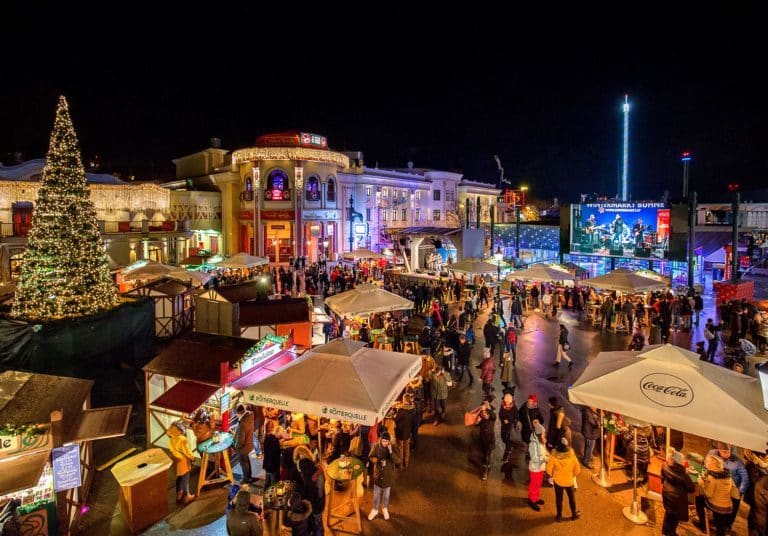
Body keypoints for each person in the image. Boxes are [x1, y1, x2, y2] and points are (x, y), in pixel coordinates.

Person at [708, 442, 750, 529]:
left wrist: (740, 491)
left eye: (728, 452)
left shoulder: (737, 462)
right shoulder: (712, 454)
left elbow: (745, 478)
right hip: (720, 486)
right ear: (719, 450)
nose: (727, 454)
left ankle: (728, 524)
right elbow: (707, 464)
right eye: (724, 452)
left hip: (734, 488)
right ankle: (718, 522)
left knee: (733, 506)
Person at [696, 454, 738, 536]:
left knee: (699, 499)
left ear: (712, 465)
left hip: (717, 506)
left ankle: (703, 525)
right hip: (728, 506)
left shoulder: (712, 477)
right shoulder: (728, 475)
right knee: (720, 526)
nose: (706, 464)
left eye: (707, 462)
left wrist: (701, 483)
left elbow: (708, 494)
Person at [660, 449, 695, 536]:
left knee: (668, 513)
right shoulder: (683, 475)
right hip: (677, 500)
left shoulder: (665, 466)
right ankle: (671, 533)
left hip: (666, 494)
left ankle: (665, 531)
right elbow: (691, 489)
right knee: (674, 519)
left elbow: (662, 478)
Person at [546, 437, 582, 522]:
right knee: (571, 498)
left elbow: (548, 470)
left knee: (559, 498)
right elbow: (578, 470)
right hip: (569, 481)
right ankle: (574, 514)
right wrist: (571, 475)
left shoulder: (554, 457)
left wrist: (554, 475)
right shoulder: (572, 457)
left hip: (558, 482)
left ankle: (559, 516)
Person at [367, 432, 401, 521]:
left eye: (387, 441)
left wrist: (390, 452)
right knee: (376, 494)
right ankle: (375, 509)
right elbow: (370, 456)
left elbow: (398, 461)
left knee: (386, 495)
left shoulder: (393, 447)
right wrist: (377, 460)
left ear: (389, 441)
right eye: (383, 441)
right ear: (380, 440)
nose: (385, 443)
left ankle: (385, 508)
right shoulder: (376, 446)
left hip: (388, 475)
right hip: (378, 474)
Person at [167, 421, 196, 504]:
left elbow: (172, 450)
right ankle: (187, 495)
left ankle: (179, 495)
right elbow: (187, 451)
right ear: (180, 430)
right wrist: (192, 458)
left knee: (179, 478)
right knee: (185, 478)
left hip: (176, 460)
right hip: (183, 461)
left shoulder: (170, 440)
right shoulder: (182, 439)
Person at [527, 422, 549, 511]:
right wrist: (544, 459)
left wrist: (547, 455)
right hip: (535, 468)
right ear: (539, 434)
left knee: (539, 483)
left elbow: (545, 451)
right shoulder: (533, 444)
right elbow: (535, 458)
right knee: (534, 484)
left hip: (541, 467)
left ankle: (536, 498)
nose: (544, 434)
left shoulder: (541, 441)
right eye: (543, 433)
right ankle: (531, 500)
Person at [478, 394, 497, 481]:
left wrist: (488, 408)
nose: (485, 415)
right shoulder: (481, 417)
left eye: (486, 414)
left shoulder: (492, 417)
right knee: (483, 453)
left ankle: (486, 469)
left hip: (489, 439)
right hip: (482, 438)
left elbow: (493, 416)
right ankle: (485, 464)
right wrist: (478, 421)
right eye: (483, 413)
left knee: (487, 455)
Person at [234, 404, 255, 484]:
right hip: (248, 444)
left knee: (244, 463)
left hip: (243, 448)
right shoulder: (250, 416)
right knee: (246, 461)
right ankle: (249, 476)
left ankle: (245, 479)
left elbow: (240, 440)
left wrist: (236, 447)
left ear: (239, 413)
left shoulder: (243, 423)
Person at [394, 394, 415, 469]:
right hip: (408, 432)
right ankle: (406, 463)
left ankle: (400, 464)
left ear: (404, 400)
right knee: (406, 448)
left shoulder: (401, 411)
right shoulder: (413, 409)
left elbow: (396, 419)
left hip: (400, 433)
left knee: (400, 448)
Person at [499, 390, 519, 463]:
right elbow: (500, 414)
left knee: (507, 441)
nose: (506, 403)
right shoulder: (502, 406)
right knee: (503, 438)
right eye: (505, 401)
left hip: (510, 427)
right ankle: (510, 445)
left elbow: (516, 417)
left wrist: (510, 421)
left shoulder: (514, 408)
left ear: (510, 401)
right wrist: (503, 420)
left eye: (508, 402)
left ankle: (506, 456)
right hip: (503, 426)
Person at [262, 420, 281, 489]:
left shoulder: (266, 437)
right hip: (273, 466)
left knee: (267, 481)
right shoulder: (274, 439)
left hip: (267, 464)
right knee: (273, 483)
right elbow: (277, 452)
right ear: (273, 428)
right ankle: (271, 497)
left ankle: (265, 493)